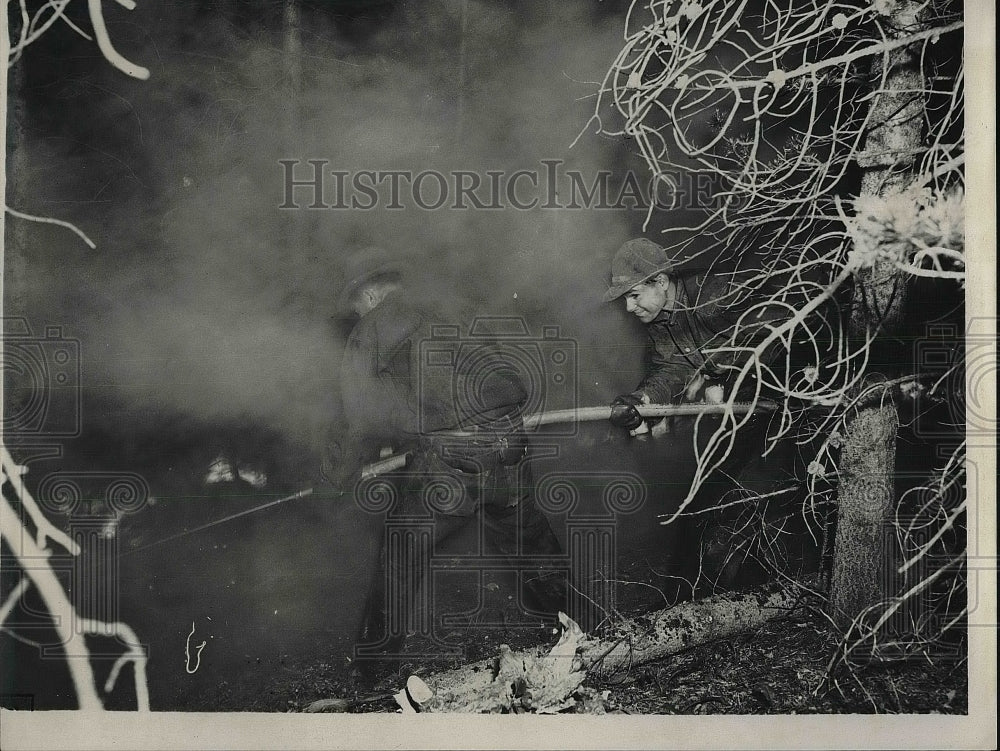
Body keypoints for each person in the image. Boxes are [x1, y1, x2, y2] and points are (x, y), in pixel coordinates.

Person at [328, 249, 567, 675]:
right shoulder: (454, 305)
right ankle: (579, 631)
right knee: (531, 540)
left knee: (401, 551)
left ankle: (374, 670)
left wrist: (341, 474)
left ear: (367, 296)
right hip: (511, 441)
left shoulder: (372, 328)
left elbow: (360, 417)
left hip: (453, 461)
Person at [602, 237, 795, 588]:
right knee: (707, 506)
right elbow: (669, 371)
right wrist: (639, 403)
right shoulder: (662, 321)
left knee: (745, 499)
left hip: (790, 407)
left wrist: (727, 368)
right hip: (747, 415)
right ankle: (723, 596)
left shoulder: (714, 294)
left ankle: (762, 591)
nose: (629, 308)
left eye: (634, 295)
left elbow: (782, 326)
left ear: (660, 282)